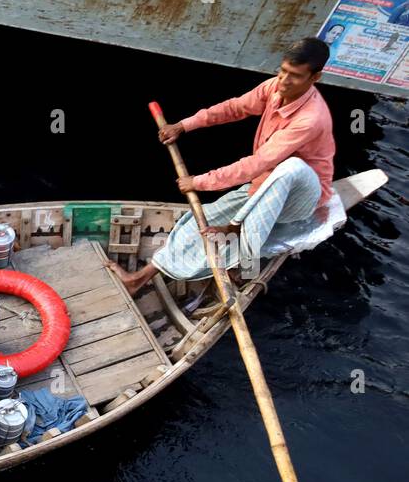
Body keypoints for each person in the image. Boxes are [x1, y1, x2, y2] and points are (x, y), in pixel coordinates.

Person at [107, 37, 335, 295]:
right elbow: (235, 108)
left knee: (285, 175)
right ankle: (139, 278)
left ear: (315, 78)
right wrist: (183, 125)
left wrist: (199, 182)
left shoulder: (310, 119)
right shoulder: (274, 88)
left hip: (300, 194)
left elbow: (256, 164)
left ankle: (242, 263)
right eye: (282, 71)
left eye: (294, 76)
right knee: (197, 224)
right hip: (266, 182)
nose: (283, 81)